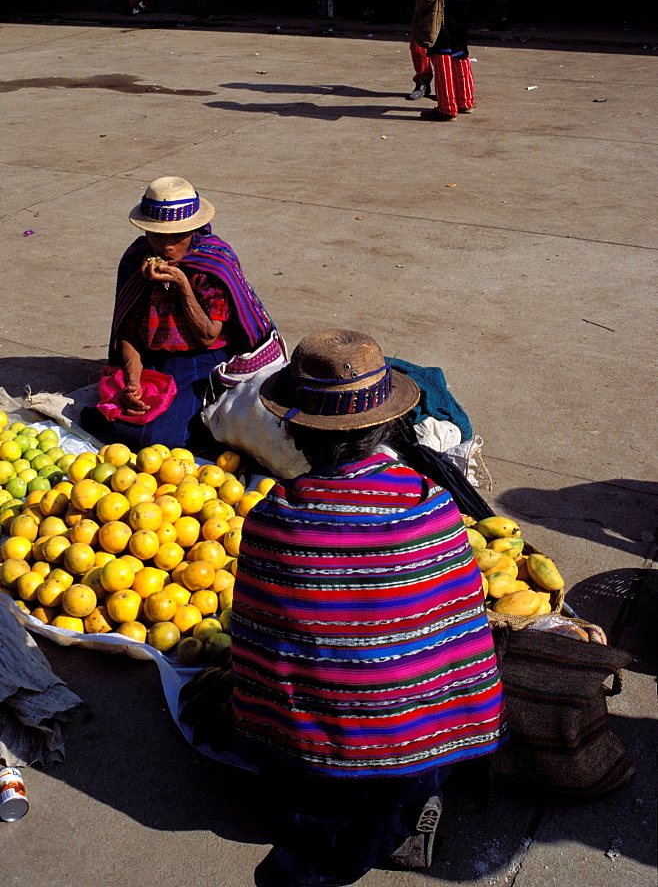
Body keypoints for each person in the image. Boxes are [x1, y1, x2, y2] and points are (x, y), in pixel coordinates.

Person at [232, 329, 507, 887]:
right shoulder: (431, 509)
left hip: (307, 753)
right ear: (384, 426)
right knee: (412, 769)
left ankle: (333, 832)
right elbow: (458, 642)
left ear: (293, 427)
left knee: (289, 782)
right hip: (411, 748)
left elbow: (258, 647)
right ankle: (393, 822)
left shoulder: (271, 518)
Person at [81, 176, 278, 450]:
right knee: (123, 427)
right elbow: (128, 334)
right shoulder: (136, 259)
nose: (166, 247)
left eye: (177, 237)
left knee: (164, 441)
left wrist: (182, 284)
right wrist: (133, 382)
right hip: (152, 356)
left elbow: (208, 336)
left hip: (202, 359)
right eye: (157, 236)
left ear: (193, 230)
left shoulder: (213, 262)